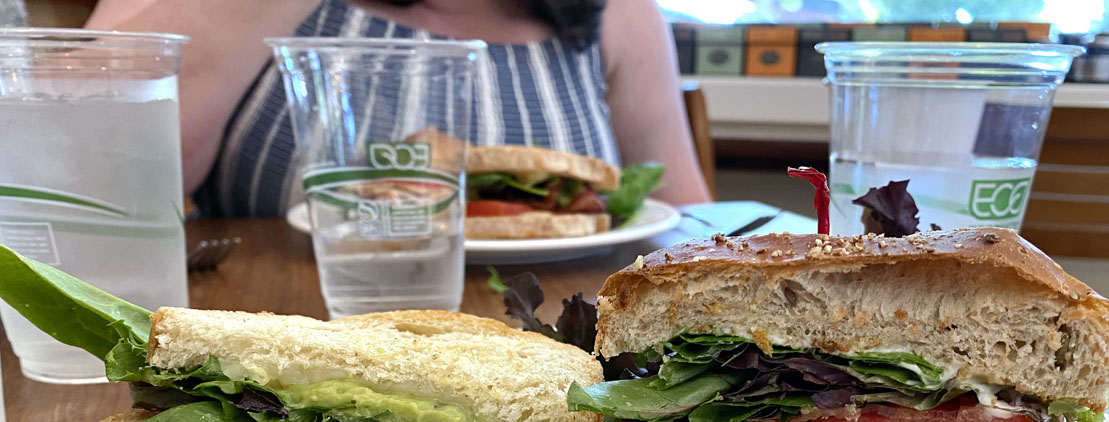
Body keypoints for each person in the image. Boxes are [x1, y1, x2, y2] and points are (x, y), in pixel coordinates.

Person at [85, 0, 712, 218]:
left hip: (562, 354)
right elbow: (93, 191)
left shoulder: (616, 14)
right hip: (272, 349)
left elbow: (684, 215)